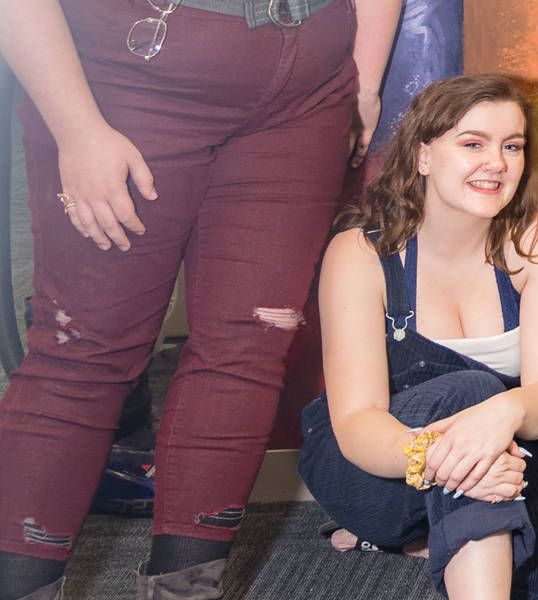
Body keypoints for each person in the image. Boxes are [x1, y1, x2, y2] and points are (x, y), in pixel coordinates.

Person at [0, 0, 400, 597]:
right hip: (128, 78)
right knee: (83, 354)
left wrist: (363, 82)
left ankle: (184, 590)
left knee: (246, 353)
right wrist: (76, 128)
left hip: (308, 90)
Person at [294, 74, 538, 600]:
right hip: (376, 471)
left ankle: (440, 531)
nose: (497, 162)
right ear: (423, 156)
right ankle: (409, 531)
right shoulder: (361, 254)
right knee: (473, 389)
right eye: (473, 143)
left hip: (504, 448)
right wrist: (452, 458)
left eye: (512, 146)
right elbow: (359, 424)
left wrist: (501, 418)